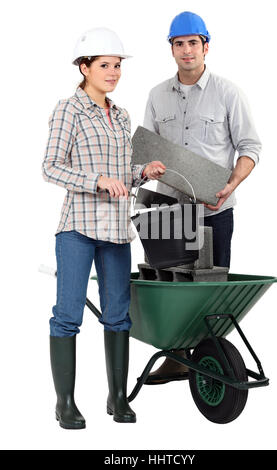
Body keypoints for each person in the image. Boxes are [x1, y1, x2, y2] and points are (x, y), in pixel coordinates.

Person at [42, 27, 166, 428]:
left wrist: (140, 172)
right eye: (104, 65)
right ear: (84, 67)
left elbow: (120, 175)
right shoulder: (68, 110)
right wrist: (95, 180)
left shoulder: (122, 114)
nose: (113, 72)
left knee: (118, 316)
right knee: (68, 314)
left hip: (115, 230)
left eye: (117, 65)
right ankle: (65, 403)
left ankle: (117, 398)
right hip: (77, 228)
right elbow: (51, 166)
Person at [143, 11, 262, 384]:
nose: (186, 50)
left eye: (193, 43)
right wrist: (147, 167)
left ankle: (212, 360)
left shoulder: (228, 93)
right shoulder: (157, 95)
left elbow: (250, 147)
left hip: (214, 209)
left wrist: (232, 184)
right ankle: (177, 356)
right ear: (172, 50)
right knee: (170, 288)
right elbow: (146, 148)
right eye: (179, 44)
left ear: (205, 47)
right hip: (168, 211)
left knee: (211, 293)